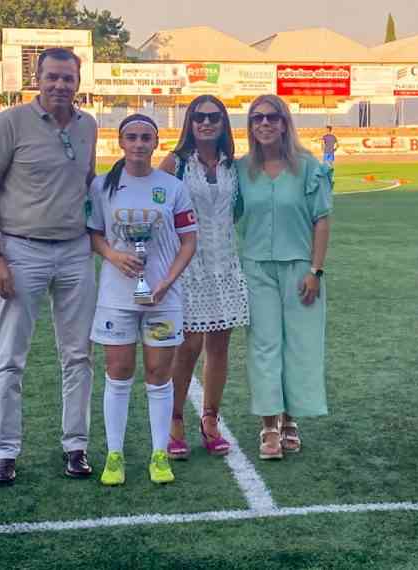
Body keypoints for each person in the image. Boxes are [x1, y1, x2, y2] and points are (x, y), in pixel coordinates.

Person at [0, 47, 98, 486]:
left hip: (75, 251)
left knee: (79, 355)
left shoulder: (89, 126)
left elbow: (86, 184)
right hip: (21, 251)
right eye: (53, 77)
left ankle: (75, 446)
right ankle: (5, 452)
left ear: (78, 81)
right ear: (37, 79)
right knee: (9, 358)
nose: (60, 85)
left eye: (68, 78)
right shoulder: (11, 122)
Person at [87, 114, 197, 485]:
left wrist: (166, 282)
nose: (138, 144)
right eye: (131, 137)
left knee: (158, 375)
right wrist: (115, 257)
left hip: (162, 299)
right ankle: (114, 455)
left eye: (145, 138)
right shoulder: (103, 185)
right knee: (118, 373)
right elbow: (95, 235)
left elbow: (189, 241)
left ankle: (159, 453)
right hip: (116, 298)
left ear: (155, 143)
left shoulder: (173, 186)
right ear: (120, 142)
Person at [236, 94, 332, 460]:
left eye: (272, 117)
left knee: (300, 344)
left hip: (299, 268)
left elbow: (321, 219)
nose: (264, 123)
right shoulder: (241, 169)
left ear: (284, 123)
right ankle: (268, 426)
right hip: (256, 268)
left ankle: (292, 420)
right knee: (264, 345)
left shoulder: (309, 168)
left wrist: (315, 270)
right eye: (257, 118)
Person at [159, 95, 248, 460]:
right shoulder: (176, 163)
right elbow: (157, 207)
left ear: (224, 123)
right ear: (190, 123)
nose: (206, 123)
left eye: (214, 117)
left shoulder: (233, 166)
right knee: (188, 347)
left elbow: (237, 211)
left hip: (225, 264)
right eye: (199, 117)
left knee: (220, 347)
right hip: (189, 267)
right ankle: (175, 419)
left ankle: (210, 419)